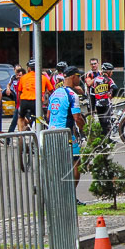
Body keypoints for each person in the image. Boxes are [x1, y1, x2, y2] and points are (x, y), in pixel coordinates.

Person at [47, 66, 86, 197]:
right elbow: (77, 117)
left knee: (58, 165)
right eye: (78, 76)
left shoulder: (55, 93)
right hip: (65, 134)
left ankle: (56, 194)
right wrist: (85, 130)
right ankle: (69, 197)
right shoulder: (72, 95)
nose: (80, 79)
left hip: (51, 133)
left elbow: (48, 115)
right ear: (72, 77)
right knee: (76, 163)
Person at [17, 59, 53, 132]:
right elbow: (51, 91)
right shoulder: (43, 78)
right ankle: (38, 133)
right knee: (39, 118)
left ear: (29, 68)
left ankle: (20, 135)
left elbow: (19, 92)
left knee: (21, 118)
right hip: (37, 101)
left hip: (24, 100)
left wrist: (20, 102)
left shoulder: (23, 77)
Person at [89, 62, 118, 135]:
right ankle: (106, 139)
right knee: (106, 123)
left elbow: (92, 92)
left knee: (102, 122)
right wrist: (111, 96)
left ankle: (103, 139)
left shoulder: (96, 79)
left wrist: (93, 106)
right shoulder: (108, 79)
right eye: (111, 71)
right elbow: (115, 88)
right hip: (106, 104)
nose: (112, 73)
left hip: (98, 104)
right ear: (108, 71)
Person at [1, 65, 24, 133]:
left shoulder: (24, 79)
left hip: (24, 100)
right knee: (15, 119)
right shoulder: (13, 78)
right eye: (17, 71)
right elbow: (8, 84)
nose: (18, 74)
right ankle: (9, 137)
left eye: (19, 71)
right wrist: (8, 89)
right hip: (17, 99)